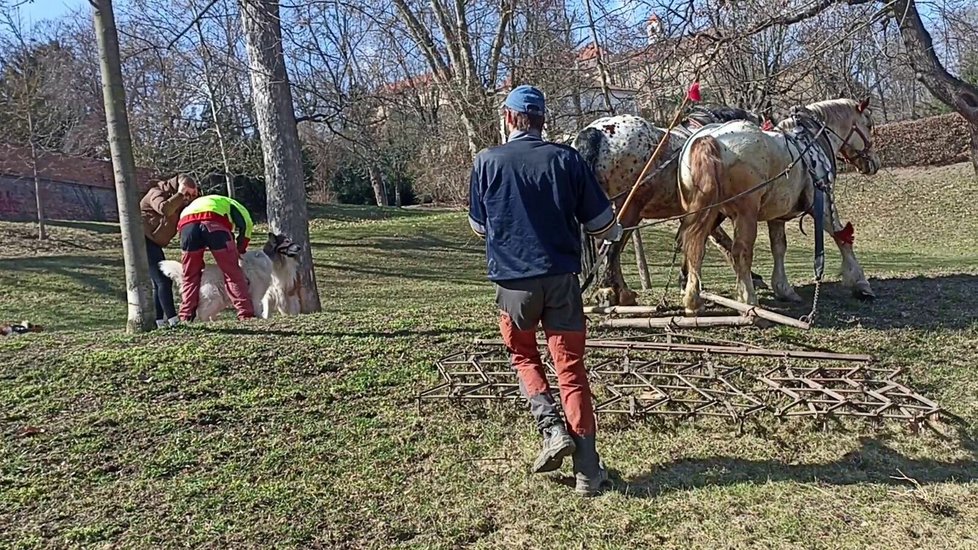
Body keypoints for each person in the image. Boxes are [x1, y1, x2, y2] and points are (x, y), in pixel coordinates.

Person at [468, 84, 623, 496]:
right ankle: (588, 473)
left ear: (508, 118)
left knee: (523, 355)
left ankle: (551, 427)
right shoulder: (568, 160)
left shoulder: (486, 162)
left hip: (513, 287)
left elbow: (479, 226)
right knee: (570, 369)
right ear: (542, 121)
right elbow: (601, 224)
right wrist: (617, 229)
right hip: (562, 283)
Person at [176, 194, 255, 321]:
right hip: (215, 226)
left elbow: (180, 229)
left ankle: (185, 316)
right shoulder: (231, 203)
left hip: (187, 228)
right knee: (232, 273)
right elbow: (247, 224)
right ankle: (245, 314)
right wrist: (241, 249)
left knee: (190, 275)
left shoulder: (190, 207)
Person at [139, 174, 198, 328]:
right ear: (179, 187)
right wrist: (180, 193)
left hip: (154, 243)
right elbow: (164, 209)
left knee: (160, 282)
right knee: (163, 281)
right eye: (187, 193)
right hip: (143, 239)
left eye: (191, 195)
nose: (187, 198)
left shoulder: (181, 202)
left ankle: (159, 321)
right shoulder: (156, 192)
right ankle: (173, 321)